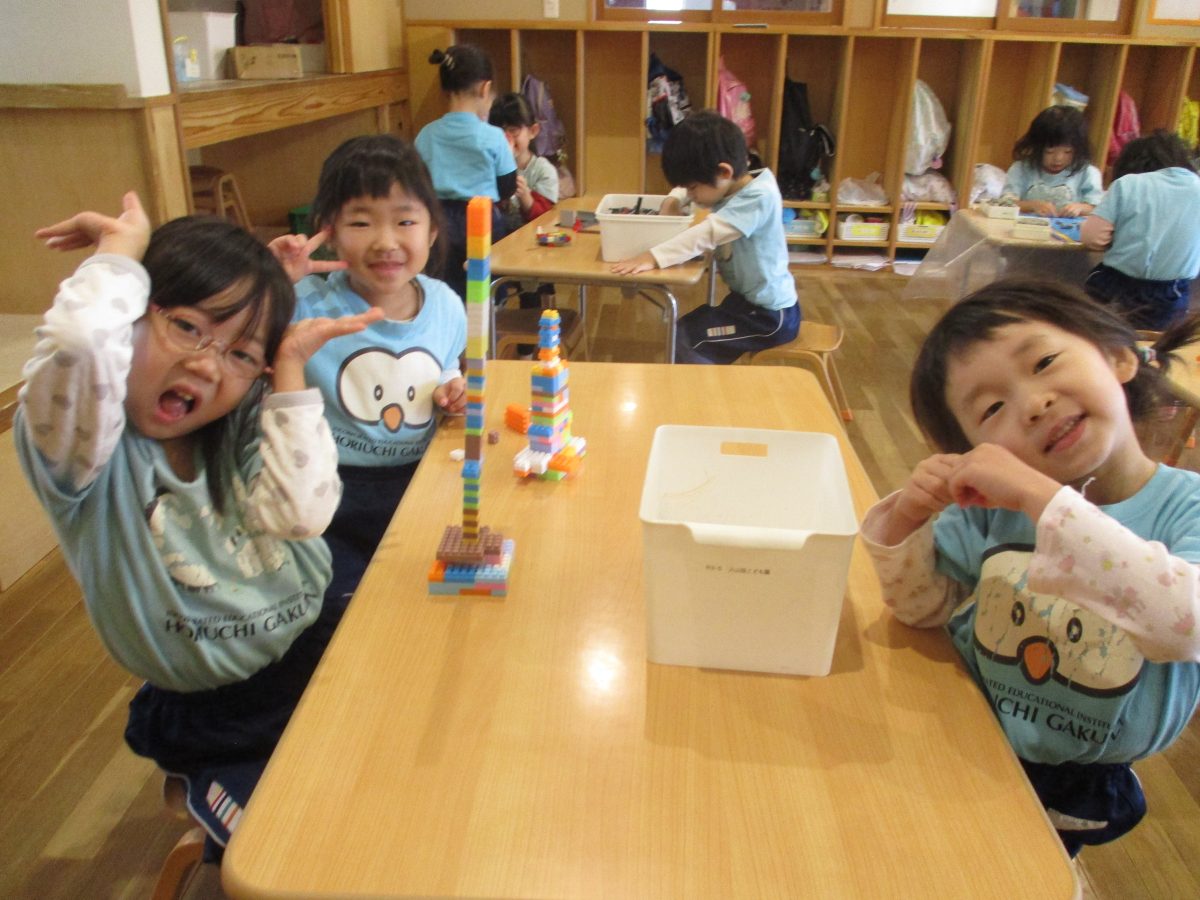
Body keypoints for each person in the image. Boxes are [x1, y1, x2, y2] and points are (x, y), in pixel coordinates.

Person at [18, 192, 381, 857]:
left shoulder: (237, 419)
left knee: (402, 771)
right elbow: (78, 344)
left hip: (317, 644)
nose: (207, 364)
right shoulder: (84, 452)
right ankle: (205, 791)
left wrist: (284, 362)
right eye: (184, 327)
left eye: (240, 354)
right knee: (303, 854)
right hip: (220, 714)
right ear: (132, 314)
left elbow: (303, 514)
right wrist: (121, 255)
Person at [859, 278, 1200, 857]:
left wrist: (1042, 500)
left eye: (1044, 362)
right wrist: (909, 515)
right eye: (992, 408)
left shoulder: (1184, 507)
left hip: (1080, 776)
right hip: (968, 734)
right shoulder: (995, 512)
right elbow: (920, 606)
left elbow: (1182, 622)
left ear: (1118, 357)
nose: (1034, 403)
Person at [269, 134, 468, 605]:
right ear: (330, 231)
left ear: (431, 231)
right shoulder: (304, 304)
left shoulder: (445, 305)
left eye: (405, 221)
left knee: (414, 597)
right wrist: (272, 281)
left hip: (419, 480)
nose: (385, 242)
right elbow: (242, 339)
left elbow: (442, 367)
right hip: (330, 490)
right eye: (361, 222)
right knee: (335, 606)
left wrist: (451, 389)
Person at [610, 110, 800, 365]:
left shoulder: (758, 198)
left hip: (771, 318)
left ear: (723, 173)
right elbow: (691, 189)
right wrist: (672, 199)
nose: (691, 195)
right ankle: (700, 384)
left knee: (691, 340)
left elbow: (706, 234)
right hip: (746, 304)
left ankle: (703, 390)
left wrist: (652, 257)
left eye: (692, 188)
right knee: (686, 329)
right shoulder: (733, 183)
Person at [415, 44, 518, 301]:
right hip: (482, 221)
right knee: (484, 291)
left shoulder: (426, 135)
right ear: (485, 88)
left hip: (437, 222)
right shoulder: (493, 137)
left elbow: (415, 184)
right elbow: (508, 187)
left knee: (442, 290)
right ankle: (489, 324)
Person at [1081, 130, 1200, 331]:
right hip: (1173, 290)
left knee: (1101, 335)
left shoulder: (1128, 184)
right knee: (1158, 342)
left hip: (1118, 283)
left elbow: (1092, 238)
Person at [489, 90, 560, 352]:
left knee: (531, 295)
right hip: (501, 247)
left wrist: (527, 198)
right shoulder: (491, 168)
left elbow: (548, 218)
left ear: (532, 131)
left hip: (533, 252)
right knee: (494, 290)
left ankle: (527, 351)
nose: (507, 138)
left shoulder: (542, 170)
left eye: (513, 130)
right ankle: (495, 336)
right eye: (500, 132)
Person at [1000, 105, 1103, 217]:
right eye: (1049, 151)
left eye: (1068, 152)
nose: (1058, 159)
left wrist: (1081, 207)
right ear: (1035, 147)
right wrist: (1032, 205)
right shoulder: (1021, 169)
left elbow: (1098, 208)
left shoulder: (1087, 173)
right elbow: (1005, 204)